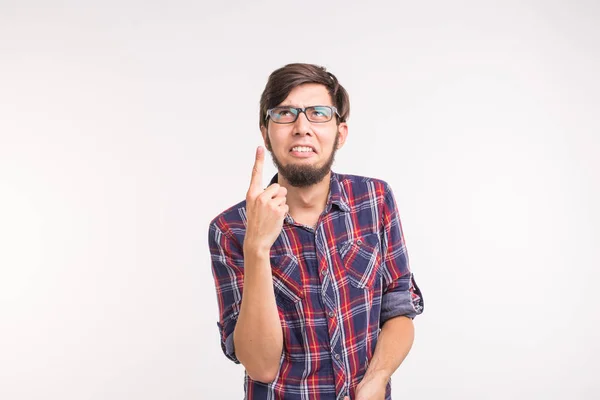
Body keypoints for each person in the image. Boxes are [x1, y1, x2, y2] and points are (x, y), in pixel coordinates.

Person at [208, 63, 424, 400]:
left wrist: (377, 378)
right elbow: (261, 366)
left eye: (318, 113)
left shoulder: (375, 200)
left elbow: (399, 309)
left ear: (340, 133)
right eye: (285, 113)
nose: (301, 127)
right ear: (265, 133)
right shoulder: (229, 229)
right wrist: (257, 247)